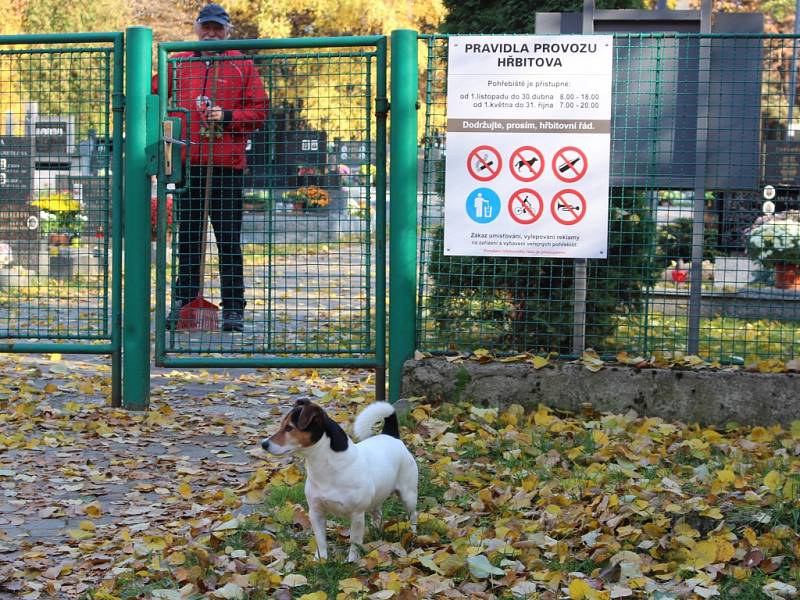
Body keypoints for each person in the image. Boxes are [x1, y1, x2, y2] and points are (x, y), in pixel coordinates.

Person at [155, 3, 268, 332]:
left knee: (228, 241)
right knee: (188, 240)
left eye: (218, 28)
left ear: (228, 31)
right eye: (207, 26)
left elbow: (259, 112)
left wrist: (228, 117)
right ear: (196, 28)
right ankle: (185, 303)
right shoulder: (177, 62)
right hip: (188, 164)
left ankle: (234, 307)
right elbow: (151, 96)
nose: (212, 33)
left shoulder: (242, 65)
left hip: (227, 166)